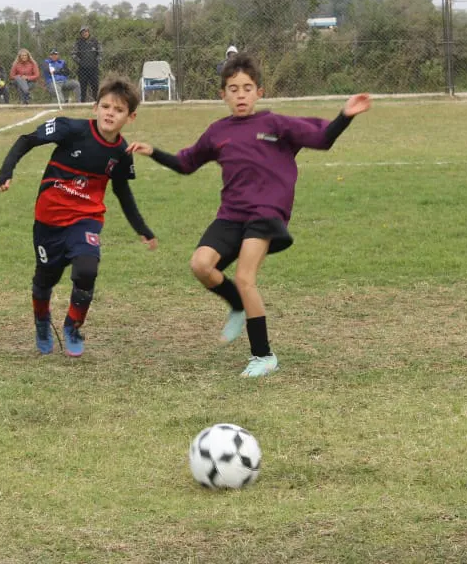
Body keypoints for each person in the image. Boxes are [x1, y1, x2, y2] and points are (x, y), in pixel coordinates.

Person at [128, 53, 372, 378]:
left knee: (245, 278)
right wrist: (154, 152)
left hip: (266, 214)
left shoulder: (275, 124)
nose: (240, 95)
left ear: (260, 92)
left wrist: (345, 115)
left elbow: (322, 138)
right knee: (200, 265)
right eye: (233, 89)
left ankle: (264, 355)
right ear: (223, 95)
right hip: (232, 214)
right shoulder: (218, 132)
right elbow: (187, 164)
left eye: (247, 88)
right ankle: (238, 305)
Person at [0, 75, 158, 357]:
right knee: (45, 279)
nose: (110, 113)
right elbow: (26, 140)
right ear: (96, 107)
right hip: (48, 220)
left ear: (130, 117)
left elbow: (122, 191)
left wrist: (141, 227)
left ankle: (73, 325)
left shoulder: (121, 152)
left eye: (118, 110)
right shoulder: (70, 128)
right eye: (106, 106)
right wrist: (6, 171)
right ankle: (42, 321)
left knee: (87, 270)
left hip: (86, 219)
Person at [72, 26, 102, 103]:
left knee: (95, 86)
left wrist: (97, 60)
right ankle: (82, 104)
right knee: (82, 88)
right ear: (81, 34)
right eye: (83, 32)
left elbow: (100, 53)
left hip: (93, 68)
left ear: (89, 32)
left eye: (86, 31)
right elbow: (73, 54)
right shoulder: (78, 43)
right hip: (82, 69)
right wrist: (80, 62)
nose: (85, 33)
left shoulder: (95, 41)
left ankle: (97, 103)